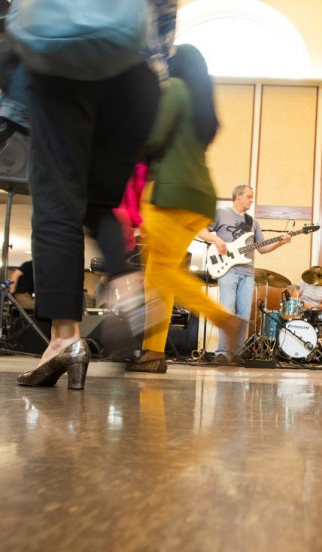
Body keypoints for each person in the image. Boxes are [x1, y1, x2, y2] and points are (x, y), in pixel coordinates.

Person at [14, 3, 162, 391]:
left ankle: (65, 340)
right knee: (99, 203)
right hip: (138, 77)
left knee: (56, 202)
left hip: (62, 63)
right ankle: (127, 282)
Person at [132, 44, 247, 373]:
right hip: (199, 199)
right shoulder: (203, 109)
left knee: (163, 273)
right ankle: (152, 353)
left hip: (169, 196)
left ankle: (224, 320)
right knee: (159, 274)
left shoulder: (177, 89)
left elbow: (154, 138)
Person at [197, 184, 291, 363]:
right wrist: (216, 239)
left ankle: (236, 353)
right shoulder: (221, 213)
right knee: (227, 311)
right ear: (238, 196)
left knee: (243, 314)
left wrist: (281, 242)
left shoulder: (253, 222)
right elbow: (201, 230)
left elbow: (262, 248)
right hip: (228, 270)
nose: (252, 200)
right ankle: (222, 354)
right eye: (249, 196)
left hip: (248, 273)